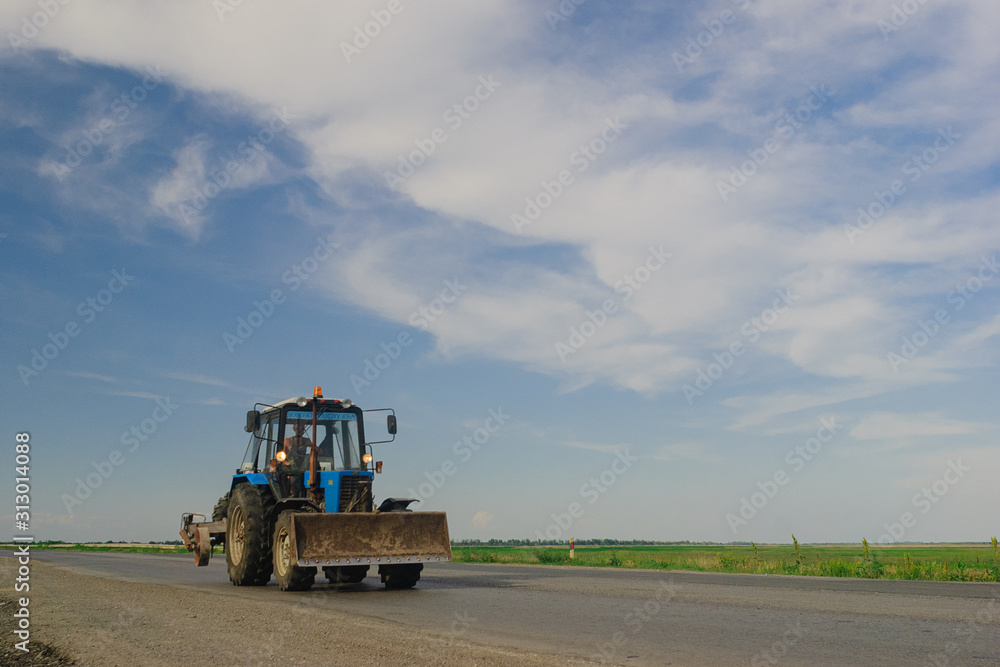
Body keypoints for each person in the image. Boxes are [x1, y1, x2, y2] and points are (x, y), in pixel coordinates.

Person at [280, 422, 310, 497]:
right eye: (297, 430)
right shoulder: (287, 441)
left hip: (304, 468)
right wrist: (288, 463)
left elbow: (314, 449)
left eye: (302, 430)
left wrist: (317, 450)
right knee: (294, 480)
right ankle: (292, 495)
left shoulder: (307, 441)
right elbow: (282, 457)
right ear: (294, 429)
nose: (300, 431)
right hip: (291, 469)